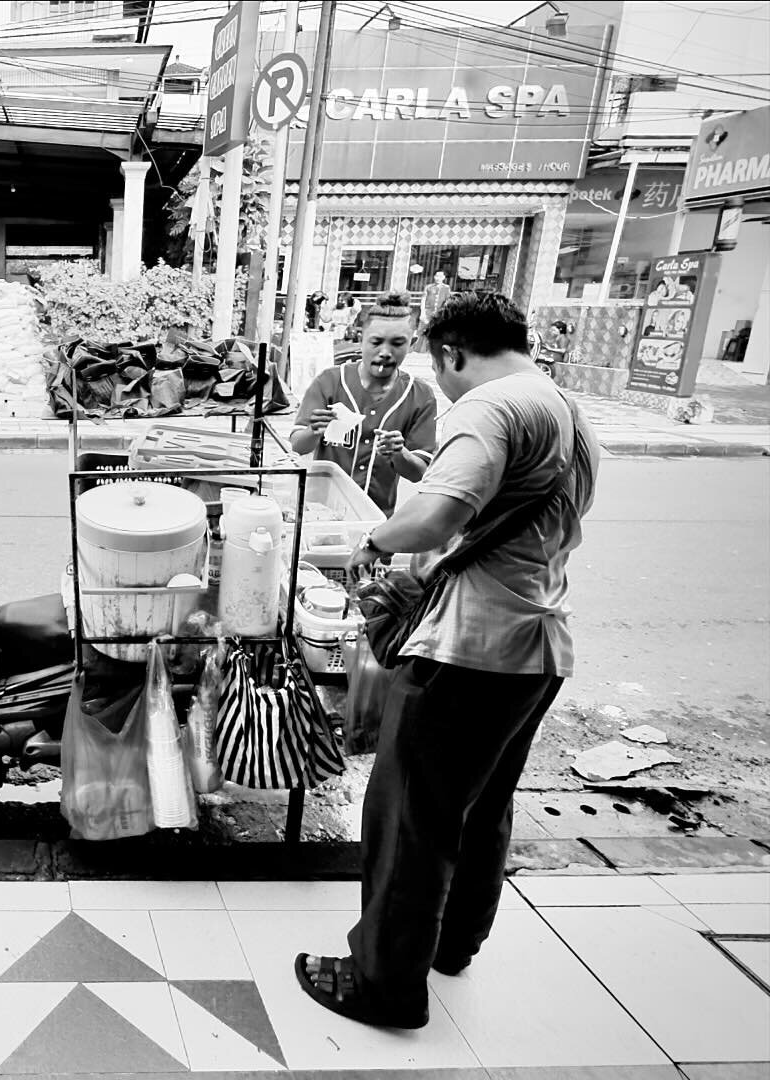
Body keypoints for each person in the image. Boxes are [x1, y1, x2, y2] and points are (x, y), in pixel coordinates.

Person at [294, 293, 600, 1029]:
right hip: (537, 647)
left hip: (467, 654)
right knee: (481, 809)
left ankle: (384, 985)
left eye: (438, 363)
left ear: (452, 353)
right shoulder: (567, 412)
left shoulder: (490, 407)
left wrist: (374, 544)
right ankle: (453, 946)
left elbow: (437, 512)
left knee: (411, 819)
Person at [289, 292, 438, 514]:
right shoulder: (330, 381)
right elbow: (298, 445)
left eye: (398, 343)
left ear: (412, 343)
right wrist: (313, 430)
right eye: (376, 342)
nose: (385, 352)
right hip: (319, 512)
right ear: (360, 338)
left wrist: (399, 453)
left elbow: (417, 473)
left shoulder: (420, 395)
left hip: (376, 519)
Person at [416, 271, 452, 350]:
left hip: (439, 312)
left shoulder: (446, 288)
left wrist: (443, 312)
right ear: (434, 277)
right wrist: (422, 312)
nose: (438, 278)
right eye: (436, 276)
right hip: (428, 311)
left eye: (440, 276)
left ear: (444, 278)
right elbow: (423, 299)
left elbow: (447, 300)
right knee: (423, 329)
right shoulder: (428, 287)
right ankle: (420, 349)